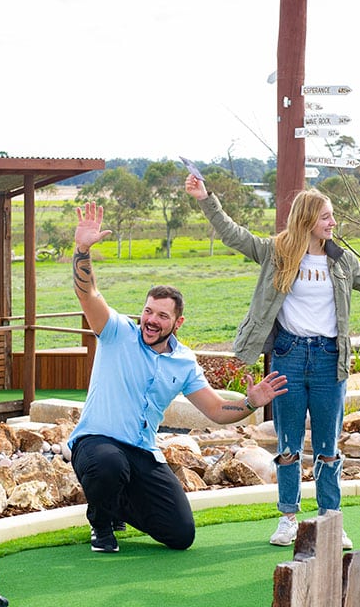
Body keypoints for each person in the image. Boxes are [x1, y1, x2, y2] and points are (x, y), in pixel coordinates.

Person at [185, 175, 360, 550]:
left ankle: (330, 519)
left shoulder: (342, 261)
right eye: (326, 217)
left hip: (327, 359)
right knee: (287, 443)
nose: (333, 223)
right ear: (306, 219)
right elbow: (232, 234)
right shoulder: (276, 252)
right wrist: (206, 197)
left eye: (332, 216)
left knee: (328, 445)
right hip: (287, 355)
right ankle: (288, 517)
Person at [66, 202, 288, 554]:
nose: (151, 320)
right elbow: (87, 293)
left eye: (162, 316)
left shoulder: (184, 362)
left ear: (177, 323)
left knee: (181, 535)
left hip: (142, 452)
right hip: (96, 443)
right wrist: (82, 250)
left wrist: (250, 403)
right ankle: (102, 521)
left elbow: (215, 411)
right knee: (109, 464)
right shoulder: (116, 332)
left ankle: (115, 502)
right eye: (148, 311)